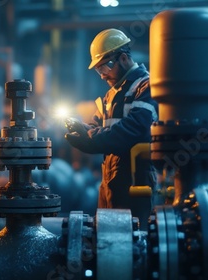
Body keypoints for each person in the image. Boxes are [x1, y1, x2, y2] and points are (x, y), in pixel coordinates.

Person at [65, 28, 158, 224]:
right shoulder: (111, 95)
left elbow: (135, 129)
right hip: (110, 183)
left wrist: (91, 139)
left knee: (132, 242)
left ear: (123, 59)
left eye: (104, 68)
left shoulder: (145, 87)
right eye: (99, 70)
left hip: (135, 183)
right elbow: (96, 127)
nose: (102, 75)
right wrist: (81, 129)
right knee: (106, 240)